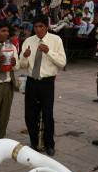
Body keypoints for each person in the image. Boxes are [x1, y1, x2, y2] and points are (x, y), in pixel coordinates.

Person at [19, 14, 66, 156]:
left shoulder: (55, 40)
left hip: (47, 82)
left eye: (41, 26)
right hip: (32, 81)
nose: (38, 29)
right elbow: (22, 64)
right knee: (30, 115)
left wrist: (48, 51)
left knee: (47, 114)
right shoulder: (28, 40)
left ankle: (49, 144)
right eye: (35, 27)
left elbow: (62, 62)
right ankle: (34, 143)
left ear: (46, 27)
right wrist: (25, 56)